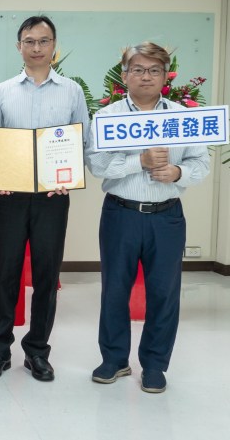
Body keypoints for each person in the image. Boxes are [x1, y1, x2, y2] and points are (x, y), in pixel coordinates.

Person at [87, 42, 208, 394]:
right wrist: (138, 161)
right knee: (114, 290)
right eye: (138, 69)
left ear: (166, 76)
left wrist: (178, 172)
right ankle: (114, 359)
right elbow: (96, 165)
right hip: (120, 213)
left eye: (154, 70)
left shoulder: (183, 118)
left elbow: (201, 162)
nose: (146, 76)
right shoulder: (107, 117)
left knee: (164, 293)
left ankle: (155, 365)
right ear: (124, 75)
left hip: (166, 217)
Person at [0, 16, 89, 382]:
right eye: (30, 41)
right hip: (11, 196)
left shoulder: (71, 91)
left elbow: (82, 142)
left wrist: (70, 177)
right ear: (19, 46)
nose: (37, 47)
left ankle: (37, 351)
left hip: (52, 198)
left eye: (44, 41)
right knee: (6, 274)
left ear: (54, 45)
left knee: (46, 275)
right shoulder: (3, 91)